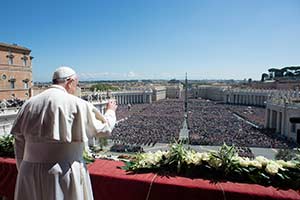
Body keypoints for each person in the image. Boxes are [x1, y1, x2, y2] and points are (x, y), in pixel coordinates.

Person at [11, 66, 117, 200]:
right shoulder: (77, 103)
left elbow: (19, 141)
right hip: (62, 172)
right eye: (76, 84)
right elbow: (104, 129)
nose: (75, 88)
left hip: (28, 172)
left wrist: (25, 168)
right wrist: (110, 111)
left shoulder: (28, 104)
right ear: (70, 81)